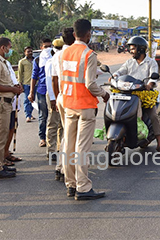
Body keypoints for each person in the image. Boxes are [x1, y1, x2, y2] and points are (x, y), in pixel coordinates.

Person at [61, 19, 109, 200]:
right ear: (88, 34)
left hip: (69, 104)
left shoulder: (65, 53)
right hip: (85, 106)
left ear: (74, 34)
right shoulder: (89, 54)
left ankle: (71, 185)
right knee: (82, 148)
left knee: (68, 146)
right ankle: (83, 187)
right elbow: (90, 83)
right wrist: (104, 94)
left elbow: (63, 80)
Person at [111, 36, 160, 154]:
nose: (131, 51)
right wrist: (114, 76)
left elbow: (153, 76)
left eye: (133, 48)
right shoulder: (129, 62)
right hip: (129, 92)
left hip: (145, 93)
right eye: (130, 48)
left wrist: (150, 84)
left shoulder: (151, 62)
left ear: (141, 49)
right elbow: (120, 71)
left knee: (153, 115)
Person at [51, 27, 75, 181]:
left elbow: (54, 79)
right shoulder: (74, 54)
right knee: (71, 136)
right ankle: (68, 171)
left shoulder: (57, 55)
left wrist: (56, 96)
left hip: (61, 95)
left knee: (66, 133)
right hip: (73, 98)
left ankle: (61, 166)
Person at [28, 39, 52, 147]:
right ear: (41, 47)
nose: (48, 49)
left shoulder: (55, 57)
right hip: (42, 90)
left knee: (56, 116)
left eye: (49, 46)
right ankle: (42, 138)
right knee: (43, 115)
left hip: (54, 90)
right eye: (45, 46)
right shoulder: (38, 60)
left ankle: (53, 138)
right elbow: (34, 77)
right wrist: (31, 92)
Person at [45, 39, 64, 163]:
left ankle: (60, 148)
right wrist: (53, 99)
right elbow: (50, 82)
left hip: (61, 95)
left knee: (62, 124)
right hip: (53, 95)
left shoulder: (61, 60)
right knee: (53, 123)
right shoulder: (51, 62)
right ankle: (51, 150)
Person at [18, 46, 35, 122]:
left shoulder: (35, 60)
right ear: (25, 52)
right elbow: (20, 73)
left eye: (31, 51)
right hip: (26, 83)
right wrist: (20, 84)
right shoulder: (22, 62)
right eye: (28, 51)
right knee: (27, 100)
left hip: (35, 84)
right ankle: (27, 115)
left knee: (33, 100)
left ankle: (30, 114)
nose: (30, 53)